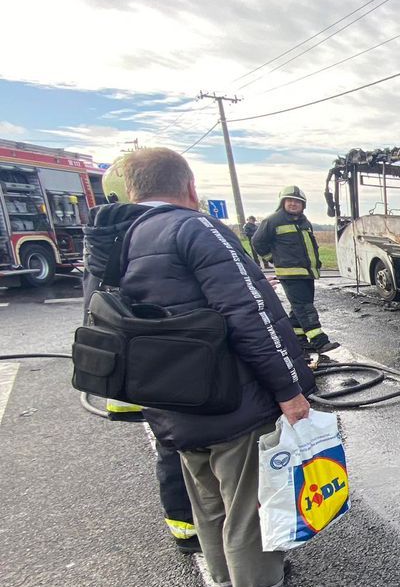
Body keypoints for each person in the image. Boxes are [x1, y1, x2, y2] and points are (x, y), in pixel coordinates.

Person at [117, 147, 316, 587]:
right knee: (249, 511)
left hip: (167, 401)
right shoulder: (195, 228)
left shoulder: (114, 237)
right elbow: (251, 314)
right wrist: (291, 388)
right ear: (190, 187)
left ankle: (222, 578)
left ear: (133, 190)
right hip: (231, 402)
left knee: (209, 505)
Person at [81, 156, 199, 555]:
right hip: (177, 363)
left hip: (137, 369)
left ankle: (186, 525)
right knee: (184, 447)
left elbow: (95, 306)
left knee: (172, 445)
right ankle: (195, 527)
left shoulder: (105, 237)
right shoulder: (167, 233)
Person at [253, 186, 339, 353]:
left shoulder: (305, 222)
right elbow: (257, 243)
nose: (293, 204)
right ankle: (319, 341)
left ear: (303, 204)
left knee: (299, 307)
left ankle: (298, 339)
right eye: (289, 200)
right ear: (282, 202)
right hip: (290, 274)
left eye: (297, 201)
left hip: (307, 273)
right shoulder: (272, 221)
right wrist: (274, 259)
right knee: (305, 307)